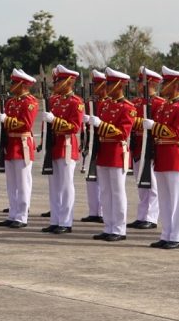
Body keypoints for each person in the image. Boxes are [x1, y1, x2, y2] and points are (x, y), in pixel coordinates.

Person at [144, 66, 179, 250]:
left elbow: (178, 133)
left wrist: (154, 127)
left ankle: (178, 236)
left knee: (177, 199)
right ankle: (166, 234)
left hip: (174, 157)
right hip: (162, 156)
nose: (162, 85)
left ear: (175, 85)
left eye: (165, 82)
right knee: (165, 199)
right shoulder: (164, 106)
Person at [89, 68, 136, 242]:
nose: (106, 87)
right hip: (104, 151)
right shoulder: (105, 105)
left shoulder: (128, 107)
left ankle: (119, 228)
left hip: (117, 152)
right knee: (105, 192)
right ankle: (108, 226)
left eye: (110, 84)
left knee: (117, 192)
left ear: (119, 85)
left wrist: (100, 125)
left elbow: (122, 133)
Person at [41, 65, 84, 234]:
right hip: (53, 145)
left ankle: (65, 222)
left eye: (59, 80)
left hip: (66, 145)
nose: (56, 83)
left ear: (69, 82)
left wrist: (54, 121)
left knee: (66, 186)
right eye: (56, 80)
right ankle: (55, 219)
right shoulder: (54, 101)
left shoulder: (76, 102)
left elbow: (75, 127)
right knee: (54, 186)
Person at [0, 68, 38, 229]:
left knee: (23, 183)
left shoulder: (30, 102)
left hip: (22, 145)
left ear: (23, 84)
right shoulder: (11, 102)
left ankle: (22, 216)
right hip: (10, 144)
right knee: (11, 184)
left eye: (14, 82)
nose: (11, 85)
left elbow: (26, 124)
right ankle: (13, 214)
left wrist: (7, 120)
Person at [128, 67, 164, 230]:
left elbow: (158, 125)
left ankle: (151, 217)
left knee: (152, 185)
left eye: (141, 82)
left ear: (151, 84)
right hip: (137, 146)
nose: (138, 85)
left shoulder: (159, 103)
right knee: (141, 184)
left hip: (150, 147)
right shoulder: (136, 102)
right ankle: (142, 216)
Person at [81, 70, 107, 223]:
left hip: (102, 140)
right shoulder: (90, 102)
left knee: (102, 180)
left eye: (97, 84)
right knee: (90, 178)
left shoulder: (108, 102)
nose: (95, 87)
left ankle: (102, 212)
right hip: (91, 141)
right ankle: (93, 211)